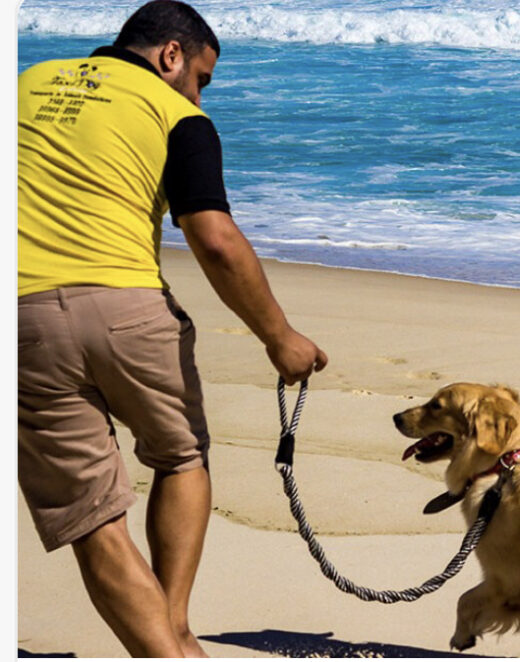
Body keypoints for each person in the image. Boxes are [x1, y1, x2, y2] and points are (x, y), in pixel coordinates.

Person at [17, 1, 328, 656]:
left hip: (20, 320)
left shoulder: (24, 84)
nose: (201, 91)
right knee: (180, 456)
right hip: (129, 308)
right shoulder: (180, 115)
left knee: (93, 519)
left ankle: (165, 647)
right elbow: (212, 238)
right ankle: (178, 626)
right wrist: (280, 337)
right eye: (202, 77)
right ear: (171, 56)